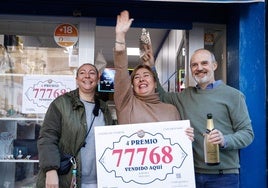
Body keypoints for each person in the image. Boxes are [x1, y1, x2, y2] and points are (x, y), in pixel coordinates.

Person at [142, 46, 254, 188]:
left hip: (223, 177)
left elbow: (247, 134)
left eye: (204, 63)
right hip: (190, 174)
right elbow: (161, 96)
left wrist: (225, 139)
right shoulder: (185, 96)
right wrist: (151, 67)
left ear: (214, 65)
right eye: (194, 65)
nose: (199, 68)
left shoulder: (233, 96)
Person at [114, 10, 194, 140]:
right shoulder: (126, 104)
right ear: (132, 84)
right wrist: (120, 37)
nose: (141, 79)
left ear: (155, 82)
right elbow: (121, 72)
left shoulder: (171, 110)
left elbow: (179, 145)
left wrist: (186, 137)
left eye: (146, 75)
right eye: (136, 77)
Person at [36, 63, 114, 188]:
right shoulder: (61, 104)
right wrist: (51, 170)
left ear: (98, 79)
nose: (87, 76)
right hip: (68, 179)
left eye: (92, 73)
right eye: (82, 73)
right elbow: (47, 137)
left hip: (98, 181)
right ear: (77, 79)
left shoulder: (104, 108)